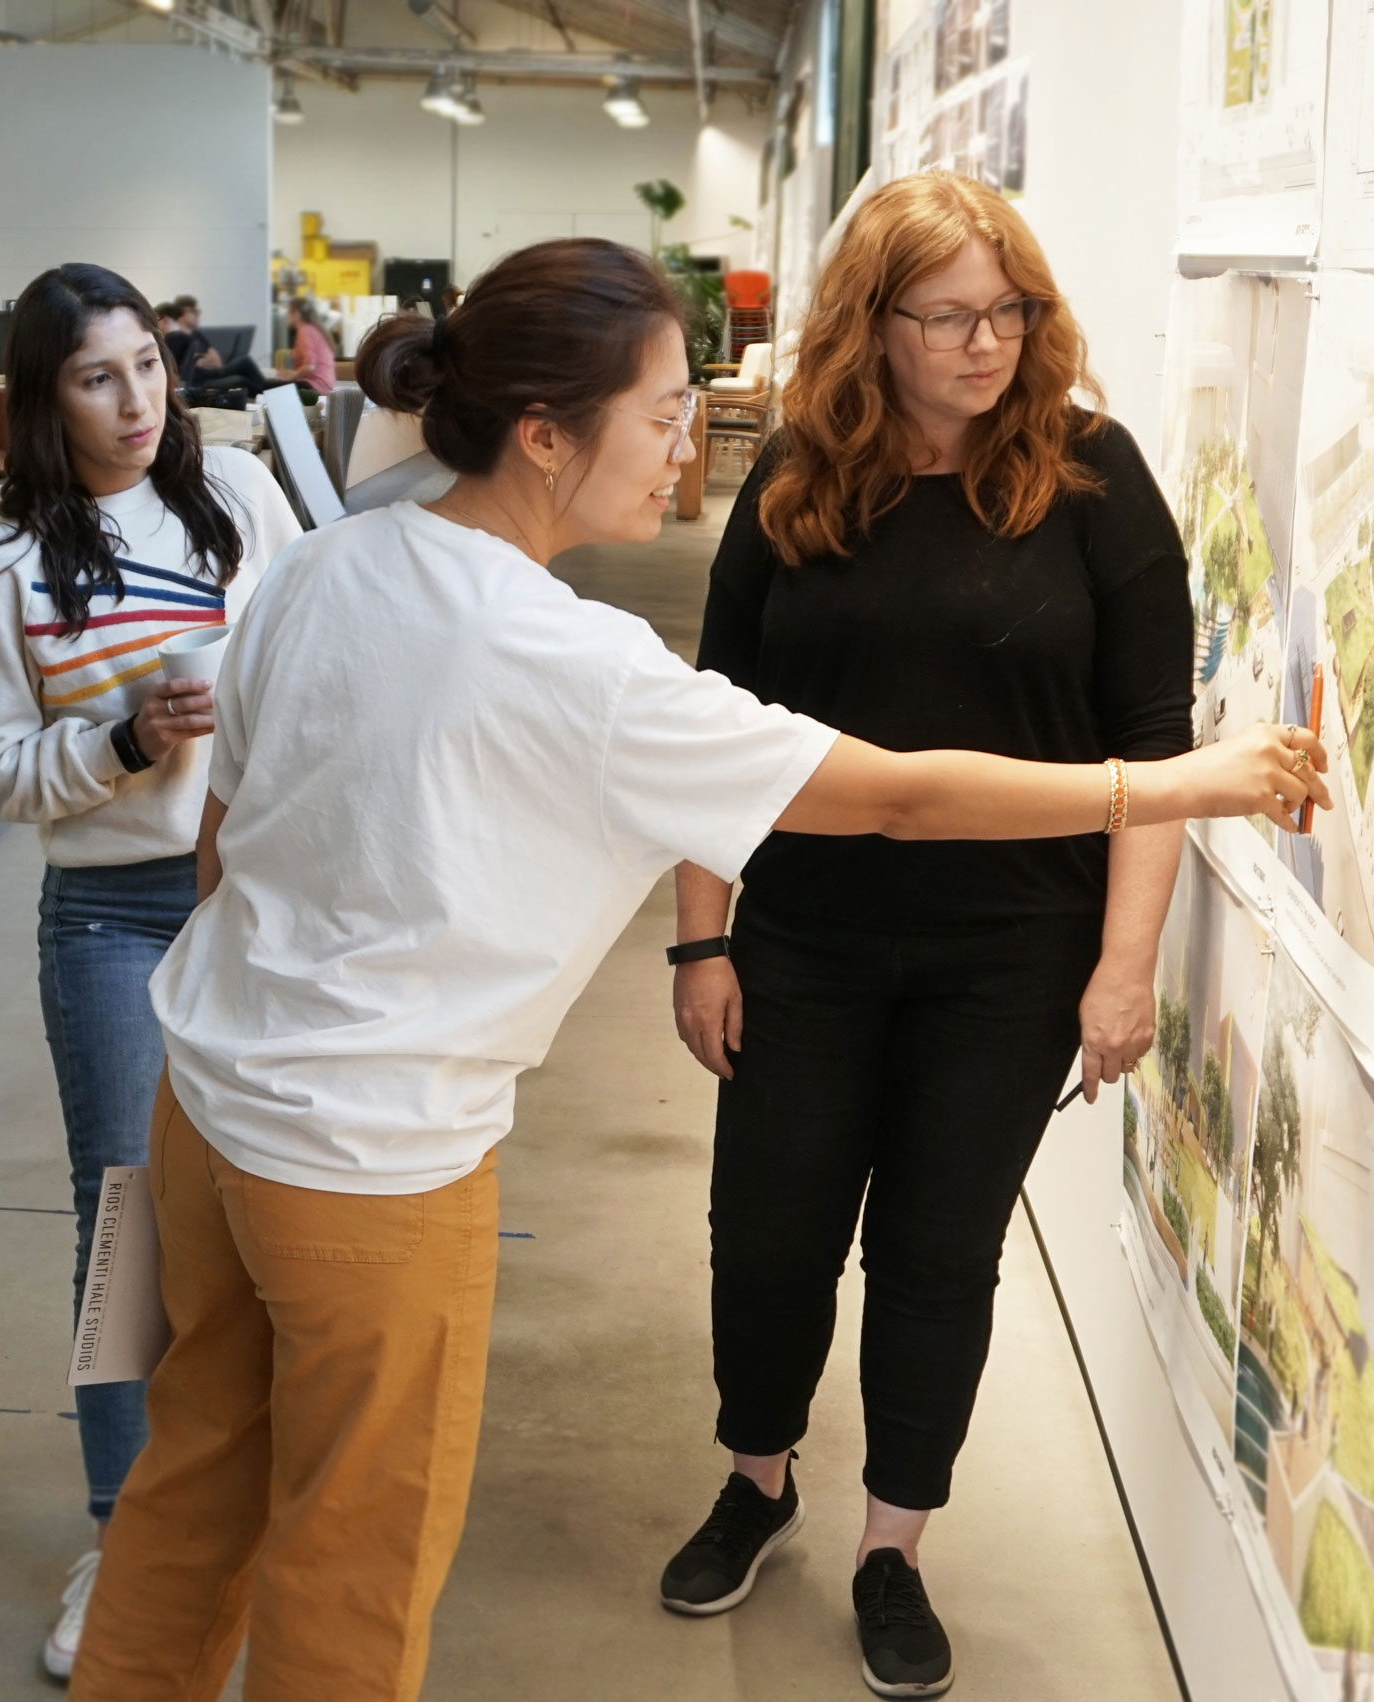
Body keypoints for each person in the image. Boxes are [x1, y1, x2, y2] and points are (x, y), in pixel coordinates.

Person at [62, 237, 1328, 1702]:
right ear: (545, 433)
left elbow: (223, 846)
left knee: (192, 1483)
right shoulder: (575, 666)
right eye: (664, 416)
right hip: (369, 1171)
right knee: (352, 1565)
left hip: (205, 1113)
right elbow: (900, 792)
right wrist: (1173, 783)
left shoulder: (327, 559)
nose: (687, 449)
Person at [655, 174, 1191, 1698]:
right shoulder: (803, 483)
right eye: (949, 315)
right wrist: (704, 942)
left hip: (1013, 956)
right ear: (870, 326)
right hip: (808, 939)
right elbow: (714, 728)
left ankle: (897, 1543)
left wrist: (1125, 963)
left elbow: (1155, 745)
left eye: (1009, 311)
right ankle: (758, 1481)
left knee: (939, 1256)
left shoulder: (1093, 481)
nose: (987, 343)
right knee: (766, 1236)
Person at [0, 262, 301, 1681]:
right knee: (130, 1230)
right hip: (113, 919)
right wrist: (131, 744)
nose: (136, 399)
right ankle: (126, 1531)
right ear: (43, 397)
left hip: (267, 901)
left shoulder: (243, 503)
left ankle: (244, 1507)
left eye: (148, 364)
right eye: (97, 376)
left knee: (274, 1215)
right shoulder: (1, 569)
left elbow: (320, 658)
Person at [285, 296, 335, 397]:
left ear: (297, 314)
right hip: (323, 384)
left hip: (314, 385)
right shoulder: (312, 329)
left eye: (289, 312)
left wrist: (291, 376)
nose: (287, 316)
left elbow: (309, 366)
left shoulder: (305, 331)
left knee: (266, 385)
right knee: (262, 383)